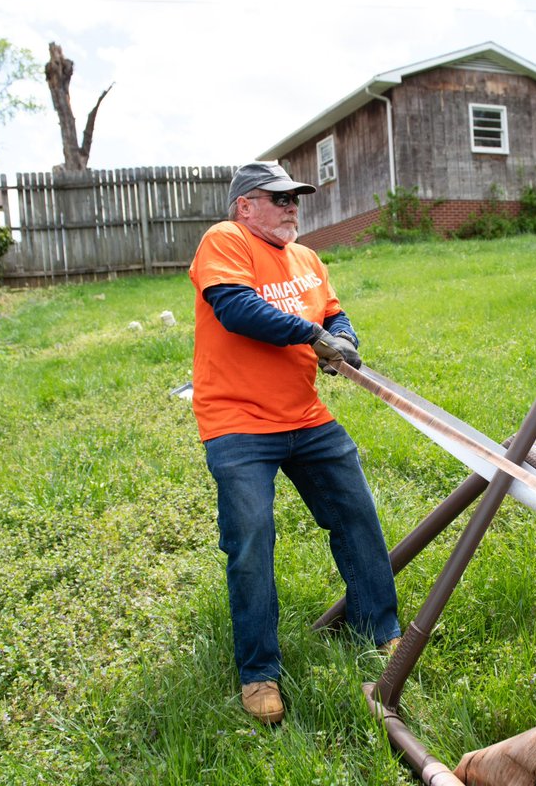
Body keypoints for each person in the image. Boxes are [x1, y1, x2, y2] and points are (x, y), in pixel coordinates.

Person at [188, 162, 401, 725]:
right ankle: (259, 672)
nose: (291, 208)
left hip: (305, 416)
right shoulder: (226, 240)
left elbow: (333, 311)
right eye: (277, 198)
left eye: (295, 199)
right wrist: (315, 337)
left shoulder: (306, 259)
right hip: (236, 424)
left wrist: (345, 340)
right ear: (245, 207)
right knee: (251, 540)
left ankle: (379, 634)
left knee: (356, 515)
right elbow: (236, 309)